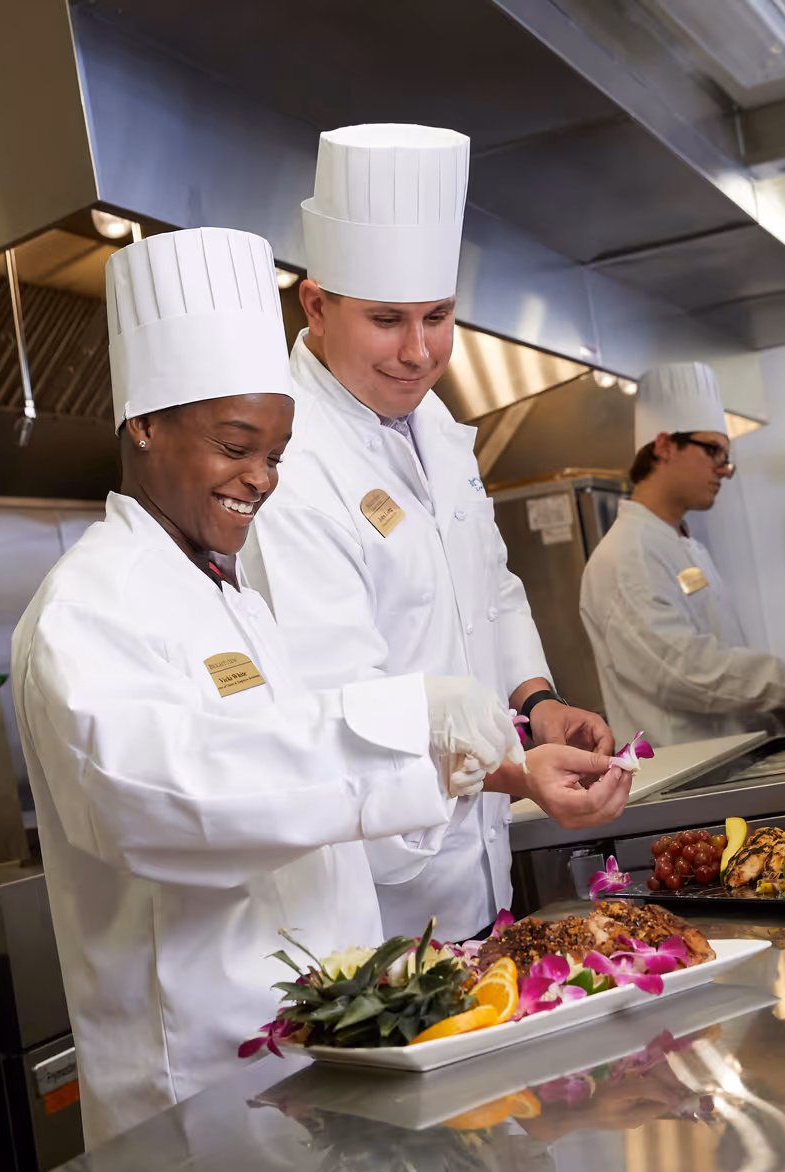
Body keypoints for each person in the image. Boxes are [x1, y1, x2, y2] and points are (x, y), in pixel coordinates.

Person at [12, 226, 566, 1146]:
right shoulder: (88, 608)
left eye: (276, 454)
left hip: (318, 1052)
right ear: (144, 425)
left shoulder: (229, 597)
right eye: (237, 447)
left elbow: (300, 781)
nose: (261, 481)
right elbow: (168, 795)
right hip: (202, 1094)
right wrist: (411, 726)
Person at [243, 123, 625, 943]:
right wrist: (518, 775)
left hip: (479, 864)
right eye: (387, 320)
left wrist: (539, 703)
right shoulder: (290, 459)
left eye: (439, 317)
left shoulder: (436, 426)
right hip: (380, 893)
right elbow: (341, 705)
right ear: (315, 304)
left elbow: (491, 589)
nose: (419, 353)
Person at [580, 361, 785, 747]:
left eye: (725, 457)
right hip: (688, 781)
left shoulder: (681, 544)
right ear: (663, 446)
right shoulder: (631, 553)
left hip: (728, 763)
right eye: (712, 450)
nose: (724, 470)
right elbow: (687, 672)